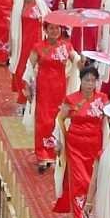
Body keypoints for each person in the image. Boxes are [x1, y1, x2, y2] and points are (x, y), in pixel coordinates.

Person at [54, 65, 108, 218]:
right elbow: (60, 119)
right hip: (75, 145)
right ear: (81, 81)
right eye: (86, 80)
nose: (90, 84)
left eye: (93, 80)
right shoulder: (71, 99)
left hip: (95, 146)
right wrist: (60, 141)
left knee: (92, 181)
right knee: (79, 181)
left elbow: (106, 123)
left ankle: (86, 211)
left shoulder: (103, 99)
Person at [25, 15, 79, 173]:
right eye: (51, 28)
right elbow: (29, 68)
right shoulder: (38, 47)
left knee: (57, 119)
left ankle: (55, 152)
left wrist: (81, 60)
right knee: (43, 120)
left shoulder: (67, 46)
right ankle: (42, 155)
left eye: (57, 28)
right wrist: (27, 87)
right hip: (44, 89)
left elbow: (77, 62)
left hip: (61, 89)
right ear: (46, 30)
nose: (54, 31)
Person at [8, 0, 48, 104]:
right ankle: (22, 100)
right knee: (21, 71)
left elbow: (49, 19)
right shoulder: (18, 7)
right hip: (23, 45)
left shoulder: (41, 4)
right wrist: (11, 44)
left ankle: (34, 100)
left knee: (36, 72)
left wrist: (61, 8)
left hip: (38, 44)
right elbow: (12, 26)